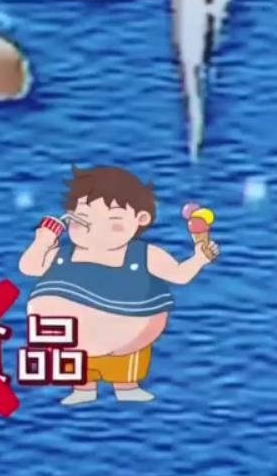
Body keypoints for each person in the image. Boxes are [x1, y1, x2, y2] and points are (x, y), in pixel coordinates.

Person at [19, 165, 219, 406]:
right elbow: (30, 267)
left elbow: (178, 275)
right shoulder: (64, 254)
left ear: (140, 220)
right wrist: (42, 242)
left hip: (127, 330)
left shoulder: (143, 255)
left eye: (113, 224)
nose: (97, 233)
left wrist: (199, 259)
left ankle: (126, 386)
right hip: (74, 339)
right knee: (82, 363)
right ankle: (83, 387)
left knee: (126, 361)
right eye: (83, 222)